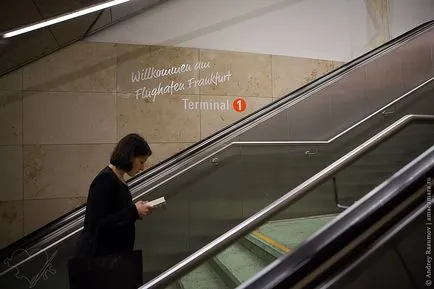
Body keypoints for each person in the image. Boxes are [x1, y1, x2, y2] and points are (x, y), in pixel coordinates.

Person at [68, 133, 153, 288]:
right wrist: (133, 211)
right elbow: (98, 225)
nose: (142, 168)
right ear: (130, 156)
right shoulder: (105, 180)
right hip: (100, 263)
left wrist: (136, 210)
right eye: (141, 162)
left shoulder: (118, 178)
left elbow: (115, 214)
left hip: (111, 261)